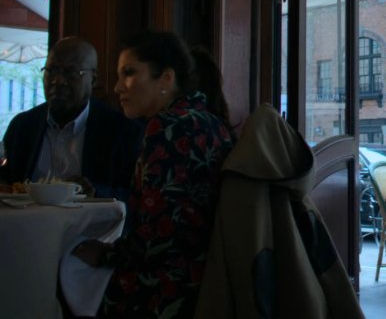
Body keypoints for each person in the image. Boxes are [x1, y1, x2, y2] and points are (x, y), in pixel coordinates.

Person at [72, 31, 235, 318]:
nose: (117, 87)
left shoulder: (167, 127)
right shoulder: (210, 122)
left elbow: (159, 236)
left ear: (166, 79)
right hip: (210, 279)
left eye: (130, 73)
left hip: (167, 291)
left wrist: (105, 253)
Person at [0, 36, 142, 199]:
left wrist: (95, 192)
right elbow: (5, 182)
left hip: (89, 223)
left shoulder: (122, 131)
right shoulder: (23, 126)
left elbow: (135, 198)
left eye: (71, 73)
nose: (58, 81)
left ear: (93, 79)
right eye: (51, 71)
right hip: (26, 223)